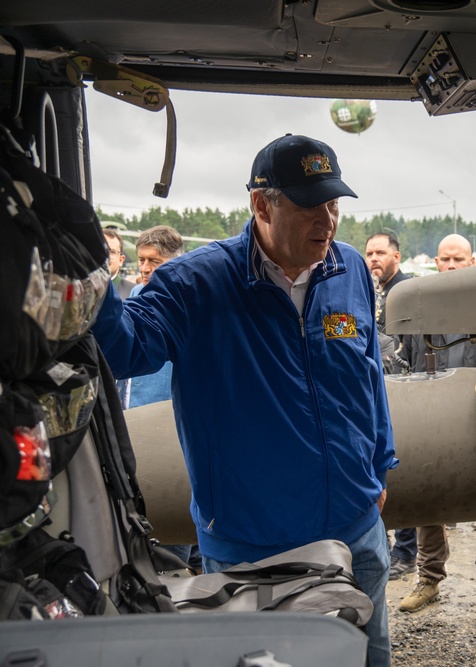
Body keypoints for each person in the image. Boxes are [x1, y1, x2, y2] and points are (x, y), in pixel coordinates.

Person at [91, 134, 397, 667]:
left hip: (356, 526)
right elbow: (123, 353)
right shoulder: (196, 283)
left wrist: (380, 467)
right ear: (261, 204)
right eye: (308, 206)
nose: (326, 221)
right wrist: (89, 276)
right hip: (254, 543)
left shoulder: (348, 270)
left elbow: (367, 378)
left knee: (368, 656)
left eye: (333, 204)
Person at [398, 234, 476, 617]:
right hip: (436, 418)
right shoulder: (423, 313)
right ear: (435, 263)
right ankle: (429, 578)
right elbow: (413, 369)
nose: (450, 266)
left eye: (458, 260)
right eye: (445, 260)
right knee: (429, 501)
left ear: (472, 263)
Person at [365, 231, 417, 578]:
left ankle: (406, 550)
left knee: (406, 473)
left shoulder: (409, 293)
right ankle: (382, 547)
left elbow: (409, 351)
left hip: (403, 390)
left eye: (380, 253)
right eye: (369, 253)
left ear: (396, 256)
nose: (373, 259)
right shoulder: (370, 289)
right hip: (374, 394)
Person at [119, 225, 184, 409]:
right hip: (130, 403)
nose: (145, 268)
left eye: (154, 261)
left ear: (176, 260)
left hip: (163, 406)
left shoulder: (187, 299)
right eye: (141, 260)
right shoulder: (136, 291)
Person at [103, 227, 135, 299]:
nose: (106, 257)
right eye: (101, 250)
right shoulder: (78, 290)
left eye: (112, 252)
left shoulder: (133, 293)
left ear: (121, 260)